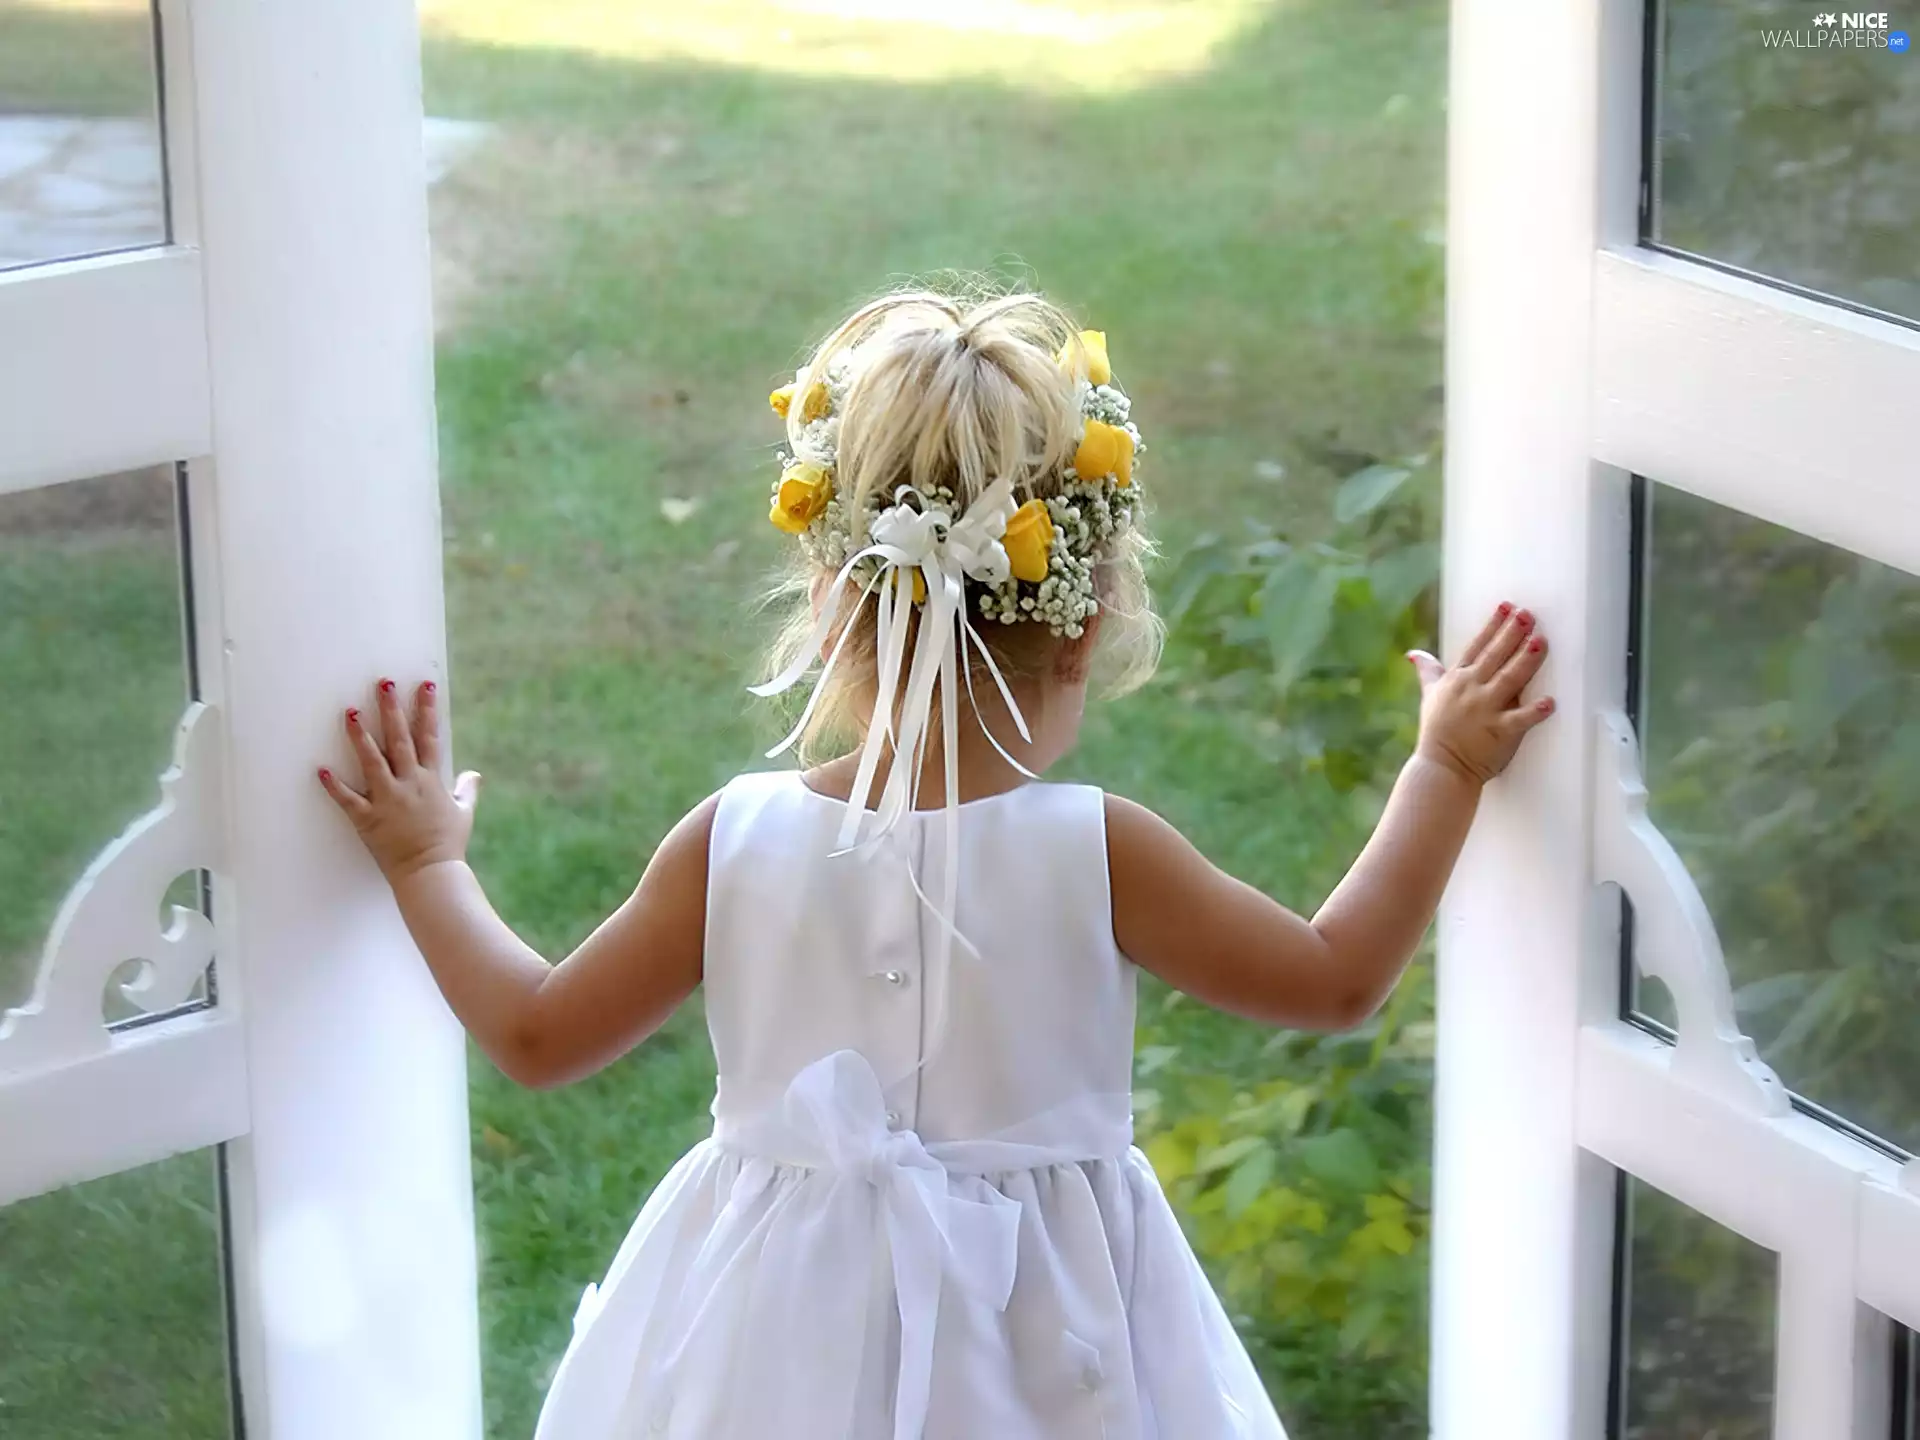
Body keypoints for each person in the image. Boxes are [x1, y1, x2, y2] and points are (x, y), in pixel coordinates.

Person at [319, 287, 1554, 1438]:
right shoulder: (1102, 852)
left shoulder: (732, 840)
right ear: (1085, 625)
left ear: (826, 603)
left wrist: (426, 862)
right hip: (1052, 1335)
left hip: (769, 1341)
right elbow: (1335, 979)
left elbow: (538, 1035)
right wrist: (1444, 771)